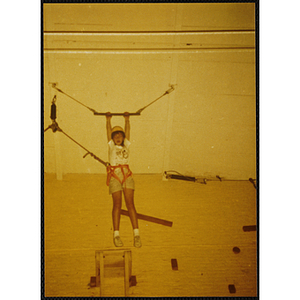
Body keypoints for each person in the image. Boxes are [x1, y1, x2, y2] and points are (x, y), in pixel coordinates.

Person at [105, 112, 142, 248]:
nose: (118, 137)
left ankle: (136, 234)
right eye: (115, 135)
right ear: (113, 138)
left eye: (120, 135)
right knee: (117, 205)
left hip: (126, 175)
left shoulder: (126, 145)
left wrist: (127, 120)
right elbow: (108, 131)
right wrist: (108, 120)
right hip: (115, 175)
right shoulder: (111, 146)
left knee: (130, 204)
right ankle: (116, 235)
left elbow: (128, 131)